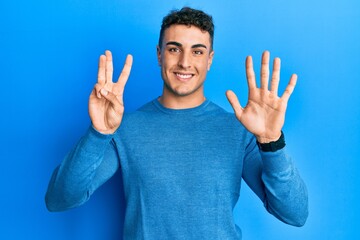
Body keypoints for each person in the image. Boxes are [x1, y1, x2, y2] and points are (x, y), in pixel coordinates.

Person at [45, 7, 308, 239]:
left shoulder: (240, 131)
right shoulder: (123, 128)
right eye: (174, 49)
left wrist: (272, 142)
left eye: (197, 51)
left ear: (210, 59)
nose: (185, 62)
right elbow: (59, 199)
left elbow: (295, 214)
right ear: (159, 55)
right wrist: (98, 133)